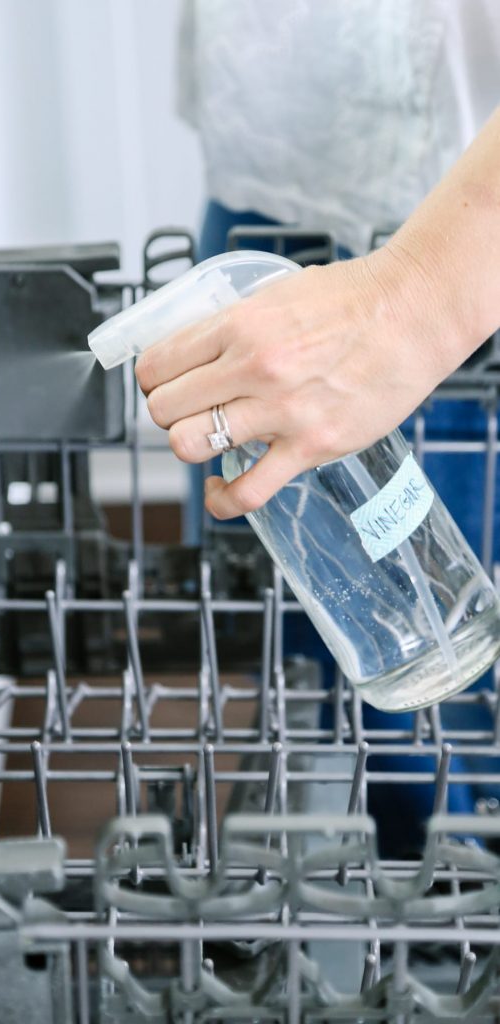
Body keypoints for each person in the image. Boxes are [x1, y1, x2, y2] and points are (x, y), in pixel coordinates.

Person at [136, 2, 500, 852]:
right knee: (324, 673)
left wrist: (413, 296)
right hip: (275, 187)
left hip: (463, 239)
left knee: (446, 714)